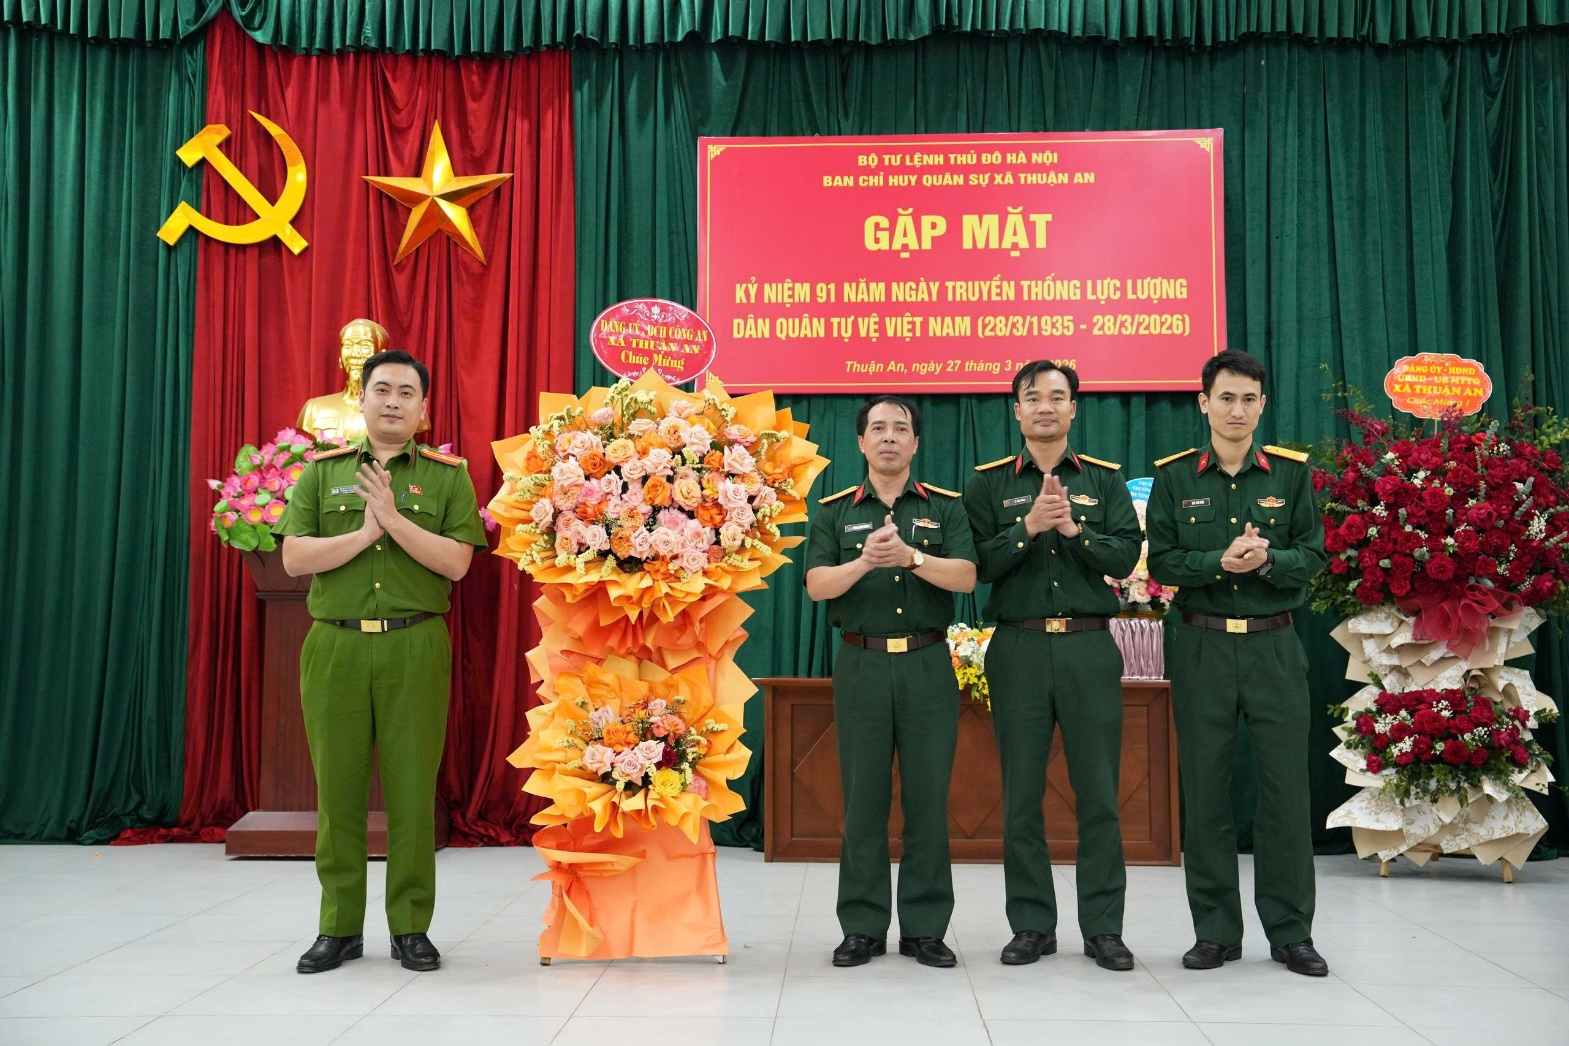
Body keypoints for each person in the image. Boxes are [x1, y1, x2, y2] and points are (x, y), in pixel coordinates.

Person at [277, 349, 487, 974]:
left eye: (407, 393)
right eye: (382, 390)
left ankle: (410, 927)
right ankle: (337, 928)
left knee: (411, 790)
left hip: (414, 643)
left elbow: (456, 563)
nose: (393, 401)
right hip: (335, 645)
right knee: (337, 791)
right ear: (362, 401)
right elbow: (293, 558)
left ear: (423, 411)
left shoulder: (449, 477)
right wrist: (364, 534)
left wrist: (393, 520)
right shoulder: (321, 473)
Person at [1145, 349, 1329, 977]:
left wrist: (1269, 561)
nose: (1237, 410)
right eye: (1226, 397)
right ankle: (1215, 932)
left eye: (1249, 399)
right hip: (1202, 646)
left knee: (1284, 791)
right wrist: (1218, 564)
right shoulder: (1173, 478)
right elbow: (1164, 562)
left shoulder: (1290, 475)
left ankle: (1290, 933)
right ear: (1204, 403)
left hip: (1275, 645)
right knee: (1206, 791)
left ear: (1263, 405)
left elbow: (1314, 556)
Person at [962, 361, 1142, 970]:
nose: (1044, 406)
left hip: (1090, 647)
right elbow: (975, 565)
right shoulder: (987, 484)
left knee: (1099, 794)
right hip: (1018, 647)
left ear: (1073, 410)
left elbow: (1124, 556)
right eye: (1032, 397)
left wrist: (1070, 527)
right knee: (1021, 795)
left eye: (1057, 397)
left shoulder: (1104, 480)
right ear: (1015, 410)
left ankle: (1103, 928)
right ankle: (1032, 924)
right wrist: (1028, 527)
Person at [804, 396, 977, 968]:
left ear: (915, 442)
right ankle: (862, 927)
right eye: (877, 428)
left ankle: (926, 928)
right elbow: (817, 585)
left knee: (929, 800)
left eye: (900, 429)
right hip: (862, 665)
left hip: (928, 664)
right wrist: (864, 562)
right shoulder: (833, 510)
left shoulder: (945, 509)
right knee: (863, 801)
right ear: (860, 442)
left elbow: (967, 576)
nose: (889, 438)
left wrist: (910, 557)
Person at [297, 318, 428, 441]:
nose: (355, 353)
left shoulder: (407, 410)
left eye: (364, 346)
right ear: (340, 358)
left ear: (381, 357)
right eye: (348, 345)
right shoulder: (314, 410)